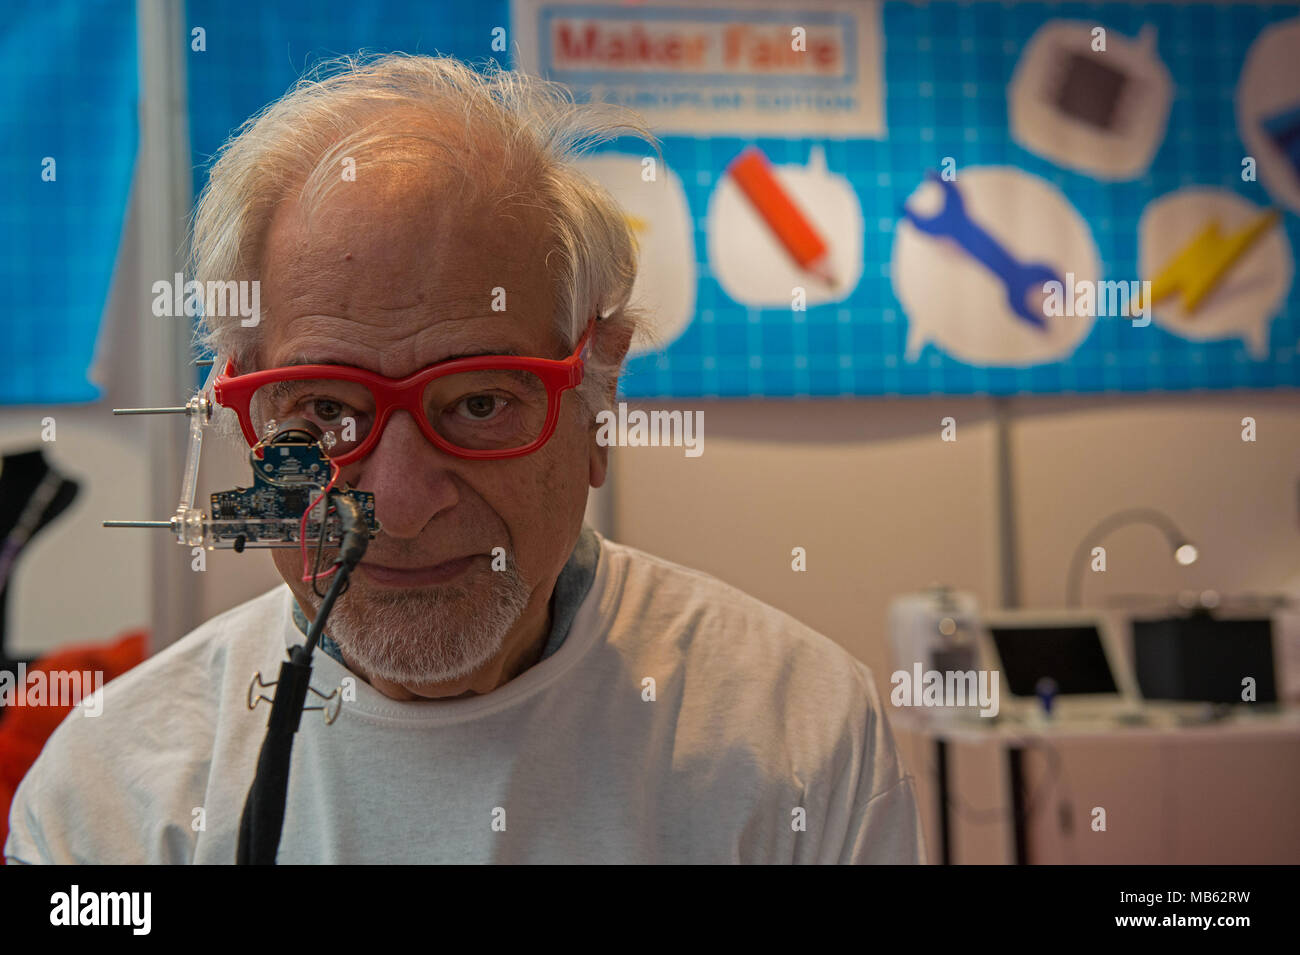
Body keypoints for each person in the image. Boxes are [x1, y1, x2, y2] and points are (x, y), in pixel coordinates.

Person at [5, 53, 924, 864]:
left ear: (596, 402)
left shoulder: (794, 735)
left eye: (480, 402)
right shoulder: (110, 795)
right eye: (325, 410)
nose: (402, 504)